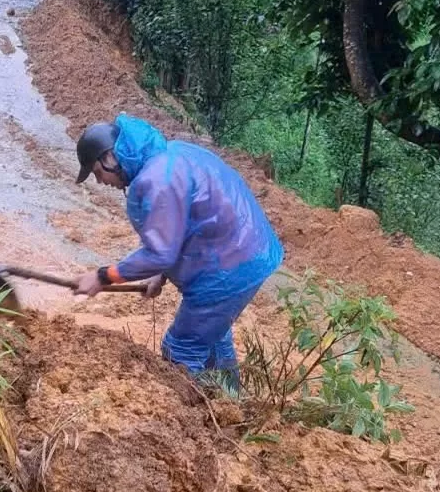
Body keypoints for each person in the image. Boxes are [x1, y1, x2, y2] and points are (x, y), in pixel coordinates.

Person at [72, 113, 284, 389]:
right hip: (251, 254)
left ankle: (199, 424)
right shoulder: (172, 154)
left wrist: (103, 277)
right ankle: (232, 401)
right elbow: (180, 227)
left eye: (97, 173)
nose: (100, 182)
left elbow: (161, 252)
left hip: (228, 270)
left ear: (109, 159)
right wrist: (159, 275)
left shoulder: (155, 181)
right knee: (212, 336)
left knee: (181, 350)